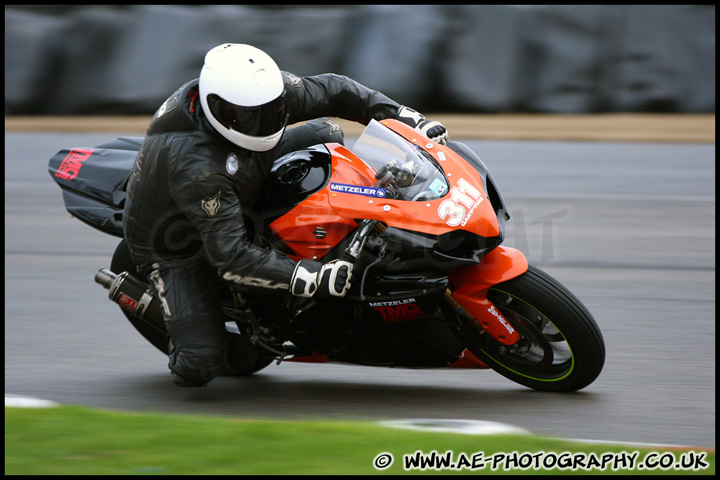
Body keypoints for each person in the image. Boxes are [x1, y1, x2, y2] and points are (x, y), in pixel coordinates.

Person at [122, 43, 449, 387]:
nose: (263, 122)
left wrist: (402, 116)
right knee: (201, 364)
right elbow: (230, 258)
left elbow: (337, 90)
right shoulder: (199, 170)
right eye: (249, 117)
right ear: (216, 109)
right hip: (177, 242)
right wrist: (312, 277)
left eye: (273, 111)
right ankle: (143, 300)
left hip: (245, 170)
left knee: (327, 133)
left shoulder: (258, 95)